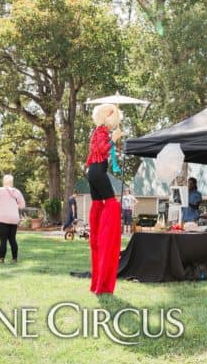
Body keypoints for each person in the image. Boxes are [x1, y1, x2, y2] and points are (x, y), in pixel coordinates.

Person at [85, 103, 122, 295]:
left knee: (101, 208)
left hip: (94, 172)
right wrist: (114, 140)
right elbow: (103, 148)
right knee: (112, 206)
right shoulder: (101, 131)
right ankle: (104, 278)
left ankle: (99, 280)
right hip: (97, 171)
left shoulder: (98, 131)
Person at [0, 175, 26, 264]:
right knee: (12, 239)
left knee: (3, 240)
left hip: (3, 218)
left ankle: (2, 259)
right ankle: (14, 259)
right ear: (12, 182)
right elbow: (22, 205)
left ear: (4, 181)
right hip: (14, 218)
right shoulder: (17, 192)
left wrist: (1, 206)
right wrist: (14, 207)